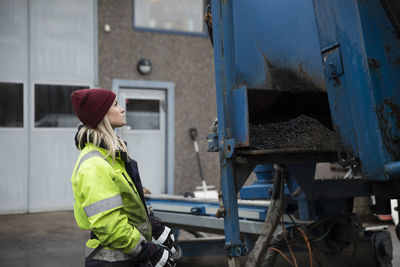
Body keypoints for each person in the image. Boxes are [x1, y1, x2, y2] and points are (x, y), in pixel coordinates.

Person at [70, 88, 177, 267]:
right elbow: (110, 226)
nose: (122, 109)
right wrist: (148, 251)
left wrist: (155, 227)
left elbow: (129, 203)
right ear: (102, 114)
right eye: (115, 105)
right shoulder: (95, 165)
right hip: (111, 262)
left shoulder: (111, 156)